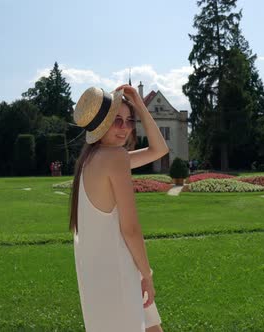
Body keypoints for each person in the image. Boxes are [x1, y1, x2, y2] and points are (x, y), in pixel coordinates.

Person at [69, 85, 169, 332]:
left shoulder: (89, 161)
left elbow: (159, 150)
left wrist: (140, 106)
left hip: (99, 272)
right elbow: (130, 229)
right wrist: (148, 275)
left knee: (153, 329)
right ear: (101, 125)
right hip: (118, 273)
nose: (125, 128)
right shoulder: (115, 158)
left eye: (129, 120)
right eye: (117, 121)